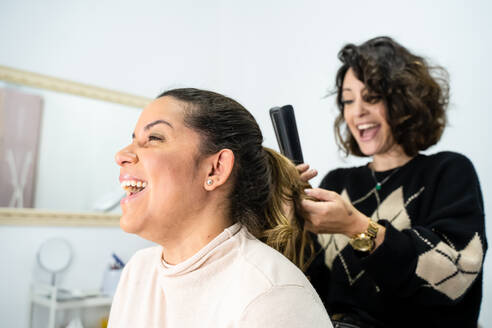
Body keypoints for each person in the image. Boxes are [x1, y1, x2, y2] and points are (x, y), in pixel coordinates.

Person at [299, 36, 487, 328]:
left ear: (405, 102)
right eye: (348, 100)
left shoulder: (448, 172)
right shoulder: (338, 183)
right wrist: (286, 215)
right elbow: (306, 288)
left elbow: (455, 274)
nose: (357, 111)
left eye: (371, 98)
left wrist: (355, 227)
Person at [108, 88, 332, 327]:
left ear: (215, 169)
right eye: (133, 140)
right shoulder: (138, 271)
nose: (121, 155)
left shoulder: (273, 296)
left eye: (153, 138)